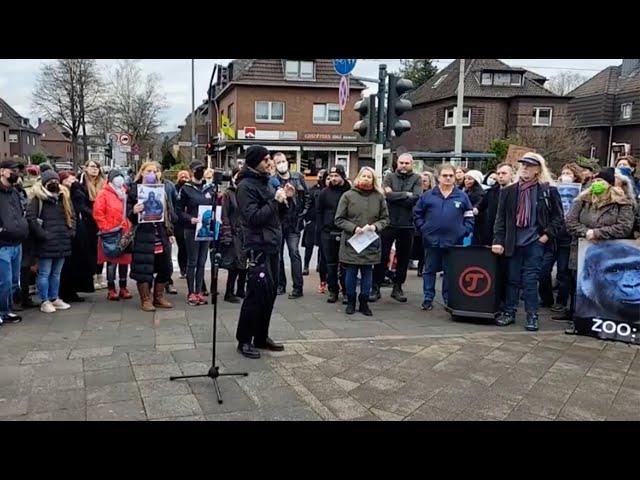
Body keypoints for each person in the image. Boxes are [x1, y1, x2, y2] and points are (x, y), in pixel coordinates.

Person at [492, 153, 564, 331]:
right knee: (512, 279)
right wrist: (498, 240)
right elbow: (500, 219)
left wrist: (545, 237)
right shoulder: (508, 191)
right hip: (513, 241)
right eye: (523, 164)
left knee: (531, 280)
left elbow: (558, 218)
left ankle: (532, 315)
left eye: (530, 165)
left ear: (538, 169)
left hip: (534, 241)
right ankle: (509, 312)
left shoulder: (548, 190)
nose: (525, 168)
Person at [235, 146, 293, 359]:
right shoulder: (246, 186)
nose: (270, 162)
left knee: (269, 294)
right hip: (257, 247)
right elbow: (253, 218)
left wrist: (287, 200)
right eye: (266, 159)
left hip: (272, 245)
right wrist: (274, 201)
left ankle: (261, 336)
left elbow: (278, 215)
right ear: (254, 161)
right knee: (255, 295)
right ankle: (244, 339)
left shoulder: (268, 182)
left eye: (270, 159)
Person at [563, 167, 635, 332]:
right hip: (582, 249)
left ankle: (606, 320)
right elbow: (570, 222)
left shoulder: (622, 202)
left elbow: (624, 226)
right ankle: (579, 322)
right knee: (580, 285)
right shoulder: (582, 200)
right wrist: (585, 233)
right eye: (594, 181)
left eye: (600, 181)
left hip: (610, 252)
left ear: (610, 184)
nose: (596, 184)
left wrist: (598, 233)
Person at [413, 164, 475, 311]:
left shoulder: (462, 196)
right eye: (445, 175)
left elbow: (469, 215)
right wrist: (424, 229)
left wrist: (464, 231)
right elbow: (417, 214)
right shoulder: (428, 196)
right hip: (431, 240)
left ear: (455, 177)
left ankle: (448, 298)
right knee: (429, 270)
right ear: (438, 177)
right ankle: (428, 298)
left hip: (454, 242)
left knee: (450, 271)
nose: (448, 178)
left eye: (451, 176)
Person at [335, 167, 389, 316]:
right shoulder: (347, 196)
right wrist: (353, 228)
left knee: (367, 273)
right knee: (351, 273)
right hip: (352, 242)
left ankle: (364, 302)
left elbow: (385, 219)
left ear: (373, 180)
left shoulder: (379, 197)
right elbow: (339, 219)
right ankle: (351, 301)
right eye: (363, 176)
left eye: (369, 177)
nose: (366, 179)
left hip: (370, 241)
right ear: (358, 177)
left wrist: (375, 226)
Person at [370, 153, 421, 304]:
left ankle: (398, 287)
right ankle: (376, 286)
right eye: (401, 163)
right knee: (381, 256)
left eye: (407, 163)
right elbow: (387, 196)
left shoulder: (417, 178)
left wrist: (396, 195)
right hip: (388, 223)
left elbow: (416, 198)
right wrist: (406, 194)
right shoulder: (389, 177)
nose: (404, 165)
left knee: (404, 258)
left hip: (407, 224)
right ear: (397, 163)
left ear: (411, 164)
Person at [128, 162, 174, 312]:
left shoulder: (163, 190)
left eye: (155, 171)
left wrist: (170, 232)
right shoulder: (135, 191)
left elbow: (167, 213)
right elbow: (128, 214)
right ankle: (145, 299)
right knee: (144, 268)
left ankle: (158, 296)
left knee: (165, 267)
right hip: (143, 235)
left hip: (160, 234)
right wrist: (134, 211)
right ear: (142, 172)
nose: (152, 174)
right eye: (149, 171)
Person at [27, 170, 74, 314]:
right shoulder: (37, 199)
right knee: (45, 273)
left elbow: (72, 217)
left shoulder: (63, 197)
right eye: (50, 182)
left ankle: (54, 298)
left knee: (56, 273)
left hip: (62, 241)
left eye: (55, 181)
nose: (54, 184)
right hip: (46, 243)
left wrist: (71, 232)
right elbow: (31, 219)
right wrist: (43, 235)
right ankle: (44, 300)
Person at [546, 164, 583, 316]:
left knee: (563, 271)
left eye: (569, 173)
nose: (565, 175)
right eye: (563, 172)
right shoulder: (553, 190)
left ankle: (561, 302)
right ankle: (546, 298)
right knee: (543, 269)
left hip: (567, 238)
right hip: (552, 236)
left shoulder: (580, 193)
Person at [176, 160, 216, 306]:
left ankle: (199, 291)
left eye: (202, 169)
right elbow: (178, 210)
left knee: (202, 261)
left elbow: (214, 206)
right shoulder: (186, 189)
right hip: (192, 229)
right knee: (192, 261)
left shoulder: (209, 188)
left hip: (205, 229)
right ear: (192, 171)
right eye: (197, 170)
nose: (200, 172)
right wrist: (190, 219)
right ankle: (191, 292)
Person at [273, 152, 310, 299]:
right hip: (279, 222)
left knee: (294, 253)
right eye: (278, 162)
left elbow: (307, 197)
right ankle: (280, 284)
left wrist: (302, 215)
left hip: (294, 222)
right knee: (278, 255)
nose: (282, 164)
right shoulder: (273, 181)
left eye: (283, 161)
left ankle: (298, 287)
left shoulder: (297, 177)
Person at [93, 169, 133, 301]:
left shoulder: (125, 193)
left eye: (121, 176)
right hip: (110, 231)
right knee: (111, 261)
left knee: (124, 260)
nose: (120, 179)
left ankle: (123, 287)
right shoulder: (103, 194)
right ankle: (111, 288)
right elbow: (98, 213)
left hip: (124, 230)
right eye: (117, 177)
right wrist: (105, 228)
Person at [58, 171, 96, 303]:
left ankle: (72, 290)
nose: (72, 180)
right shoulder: (62, 194)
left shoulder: (77, 190)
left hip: (79, 230)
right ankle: (65, 291)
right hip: (68, 231)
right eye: (68, 178)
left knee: (77, 261)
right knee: (68, 264)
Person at [0, 160, 30, 324]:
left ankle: (7, 310)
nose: (16, 174)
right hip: (2, 244)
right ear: (2, 171)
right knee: (3, 281)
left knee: (12, 282)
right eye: (12, 170)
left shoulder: (14, 192)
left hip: (17, 242)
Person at [316, 165, 350, 304]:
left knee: (345, 264)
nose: (333, 179)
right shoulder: (324, 192)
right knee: (330, 264)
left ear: (343, 176)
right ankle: (333, 291)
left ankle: (347, 291)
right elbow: (319, 212)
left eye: (336, 176)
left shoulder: (349, 192)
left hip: (345, 232)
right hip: (328, 232)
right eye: (331, 176)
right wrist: (321, 229)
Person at [220, 167, 247, 303]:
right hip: (234, 231)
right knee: (234, 264)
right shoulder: (228, 194)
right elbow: (224, 215)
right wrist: (227, 233)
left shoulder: (247, 192)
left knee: (245, 263)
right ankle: (229, 292)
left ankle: (241, 289)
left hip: (246, 232)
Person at [80, 160, 106, 290]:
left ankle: (100, 275)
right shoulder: (82, 184)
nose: (95, 169)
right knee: (90, 250)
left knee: (101, 249)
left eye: (97, 167)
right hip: (88, 221)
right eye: (92, 166)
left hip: (102, 221)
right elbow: (81, 204)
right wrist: (94, 214)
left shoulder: (103, 183)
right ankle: (93, 276)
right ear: (86, 168)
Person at [154, 162, 179, 295]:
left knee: (166, 259)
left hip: (165, 226)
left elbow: (174, 202)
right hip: (150, 229)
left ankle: (167, 282)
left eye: (157, 170)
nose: (155, 173)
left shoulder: (168, 185)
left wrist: (173, 216)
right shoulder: (143, 187)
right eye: (152, 171)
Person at [303, 169, 325, 279]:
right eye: (319, 176)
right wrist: (306, 219)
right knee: (309, 245)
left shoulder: (327, 190)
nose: (320, 179)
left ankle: (319, 265)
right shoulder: (312, 190)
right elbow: (306, 204)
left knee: (322, 246)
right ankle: (306, 266)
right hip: (312, 221)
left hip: (322, 222)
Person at [174, 170, 190, 279]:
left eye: (186, 176)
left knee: (189, 247)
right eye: (181, 176)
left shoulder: (190, 189)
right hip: (179, 223)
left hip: (189, 222)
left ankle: (188, 268)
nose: (183, 178)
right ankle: (183, 269)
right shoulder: (174, 189)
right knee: (182, 247)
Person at [462, 169, 485, 245]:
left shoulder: (479, 193)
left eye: (470, 179)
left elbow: (477, 208)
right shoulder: (466, 191)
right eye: (465, 179)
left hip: (476, 224)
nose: (466, 181)